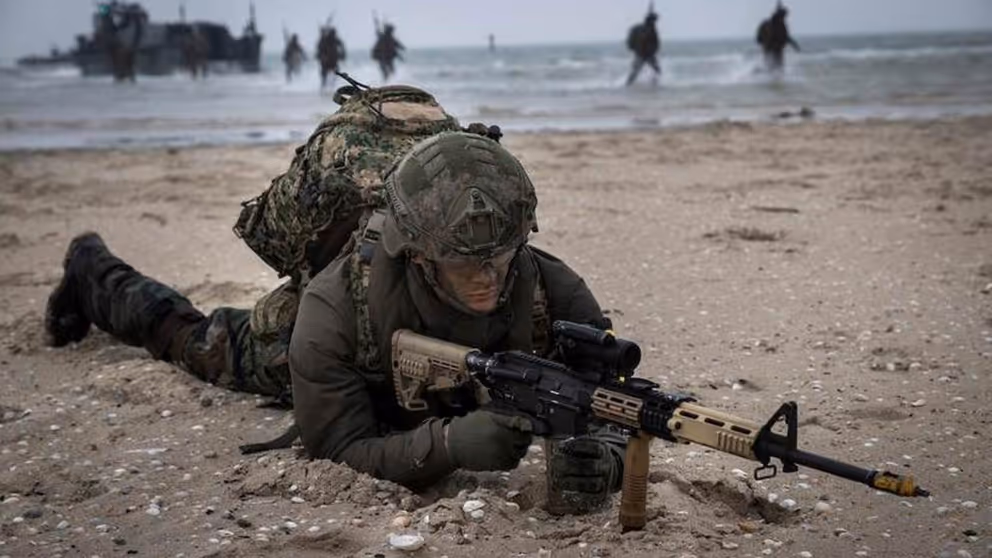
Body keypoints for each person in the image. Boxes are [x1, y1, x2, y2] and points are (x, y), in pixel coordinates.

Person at [45, 131, 625, 515]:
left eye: (500, 260)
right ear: (418, 255)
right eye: (464, 265)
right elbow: (337, 449)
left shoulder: (553, 288)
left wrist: (608, 460)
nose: (487, 279)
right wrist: (446, 445)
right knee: (198, 342)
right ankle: (91, 272)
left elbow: (612, 405)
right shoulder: (333, 312)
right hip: (316, 345)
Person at [756, 2, 800, 72]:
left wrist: (794, 45)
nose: (784, 18)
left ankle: (774, 79)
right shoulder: (772, 24)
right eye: (783, 16)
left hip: (776, 48)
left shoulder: (781, 24)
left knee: (778, 67)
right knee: (771, 66)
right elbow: (761, 38)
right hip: (771, 48)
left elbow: (786, 37)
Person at [625, 6, 661, 87]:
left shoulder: (650, 29)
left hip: (647, 55)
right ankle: (627, 85)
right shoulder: (644, 29)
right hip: (641, 54)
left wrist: (653, 51)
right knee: (635, 72)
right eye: (654, 21)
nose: (655, 23)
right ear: (650, 21)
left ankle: (654, 84)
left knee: (656, 71)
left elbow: (656, 43)